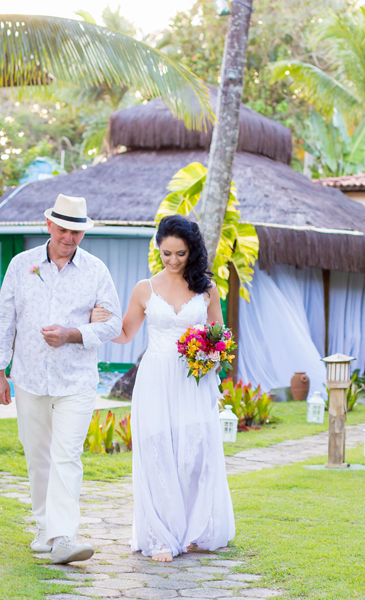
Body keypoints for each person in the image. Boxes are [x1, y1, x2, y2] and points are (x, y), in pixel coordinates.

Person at [90, 214, 235, 563]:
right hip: (155, 377)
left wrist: (209, 352)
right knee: (156, 451)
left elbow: (220, 336)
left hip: (192, 379)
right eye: (166, 253)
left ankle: (192, 530)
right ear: (158, 248)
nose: (172, 261)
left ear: (192, 252)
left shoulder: (206, 288)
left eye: (180, 254)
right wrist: (100, 322)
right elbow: (125, 334)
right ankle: (160, 536)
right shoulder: (145, 288)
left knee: (193, 453)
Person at [0, 194, 122, 564]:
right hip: (30, 377)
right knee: (38, 456)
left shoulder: (96, 270)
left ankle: (64, 536)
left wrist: (73, 333)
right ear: (49, 225)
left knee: (67, 455)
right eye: (63, 229)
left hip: (76, 381)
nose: (69, 237)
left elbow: (113, 323)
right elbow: (5, 320)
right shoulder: (21, 265)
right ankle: (45, 527)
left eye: (76, 232)